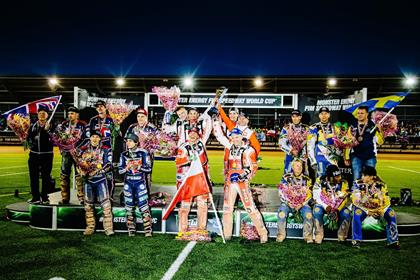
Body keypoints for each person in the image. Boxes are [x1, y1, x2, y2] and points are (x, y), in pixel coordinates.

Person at [213, 118, 268, 243]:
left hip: (242, 183)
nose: (235, 139)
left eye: (237, 137)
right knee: (227, 208)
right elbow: (219, 136)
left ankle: (263, 233)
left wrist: (242, 176)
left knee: (250, 208)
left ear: (241, 137)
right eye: (233, 137)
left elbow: (253, 167)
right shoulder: (230, 146)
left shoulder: (248, 150)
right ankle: (227, 234)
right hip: (230, 183)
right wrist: (215, 120)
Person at [76, 131, 114, 236]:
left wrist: (97, 171)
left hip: (100, 180)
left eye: (97, 137)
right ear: (89, 138)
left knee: (106, 205)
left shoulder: (106, 149)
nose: (94, 139)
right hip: (88, 181)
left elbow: (109, 165)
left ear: (100, 138)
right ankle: (90, 227)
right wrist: (81, 171)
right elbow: (78, 163)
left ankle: (108, 228)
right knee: (88, 205)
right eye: (92, 136)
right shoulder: (83, 149)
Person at [351, 166, 400, 249]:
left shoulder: (381, 185)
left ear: (371, 177)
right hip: (363, 208)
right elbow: (355, 201)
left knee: (391, 214)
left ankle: (393, 241)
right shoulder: (357, 184)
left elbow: (387, 200)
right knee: (357, 213)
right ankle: (356, 240)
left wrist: (381, 211)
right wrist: (368, 212)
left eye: (364, 175)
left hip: (379, 209)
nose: (362, 177)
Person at [175, 127, 211, 233]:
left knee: (202, 204)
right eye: (191, 133)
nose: (192, 135)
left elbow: (205, 162)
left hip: (199, 179)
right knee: (185, 205)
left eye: (195, 133)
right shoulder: (183, 147)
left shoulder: (201, 146)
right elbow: (178, 162)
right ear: (188, 134)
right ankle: (182, 229)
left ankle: (201, 229)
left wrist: (208, 179)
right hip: (187, 180)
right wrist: (189, 159)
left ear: (198, 135)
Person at [118, 133, 153, 237]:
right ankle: (131, 229)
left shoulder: (143, 153)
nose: (128, 143)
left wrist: (138, 167)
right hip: (128, 183)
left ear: (136, 142)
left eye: (130, 141)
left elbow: (149, 169)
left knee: (144, 206)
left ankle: (147, 230)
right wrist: (126, 169)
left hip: (140, 183)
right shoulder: (124, 154)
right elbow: (120, 171)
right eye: (127, 141)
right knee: (129, 206)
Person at [277, 159, 314, 243]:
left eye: (301, 166)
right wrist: (288, 202)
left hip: (302, 204)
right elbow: (281, 192)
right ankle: (281, 235)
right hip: (288, 203)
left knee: (308, 214)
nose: (299, 168)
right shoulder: (286, 177)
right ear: (292, 167)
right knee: (281, 214)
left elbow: (309, 194)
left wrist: (302, 204)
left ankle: (308, 236)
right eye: (297, 166)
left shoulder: (307, 179)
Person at [312, 165, 351, 244]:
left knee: (346, 213)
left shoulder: (344, 182)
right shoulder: (320, 180)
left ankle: (342, 235)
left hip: (338, 205)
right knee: (317, 211)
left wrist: (337, 209)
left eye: (339, 175)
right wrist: (326, 207)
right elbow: (316, 196)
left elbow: (345, 198)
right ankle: (318, 235)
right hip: (323, 204)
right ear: (330, 177)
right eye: (336, 176)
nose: (339, 177)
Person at [87, 100, 116, 199]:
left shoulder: (112, 119)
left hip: (108, 150)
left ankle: (110, 196)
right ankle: (95, 195)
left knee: (108, 172)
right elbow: (88, 136)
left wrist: (117, 129)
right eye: (97, 106)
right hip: (95, 151)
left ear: (105, 107)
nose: (99, 108)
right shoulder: (93, 120)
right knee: (95, 172)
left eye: (101, 106)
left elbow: (117, 135)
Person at [125, 107, 158, 194]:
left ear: (146, 117)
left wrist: (149, 142)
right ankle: (133, 194)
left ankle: (146, 194)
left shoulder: (152, 128)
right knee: (133, 173)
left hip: (147, 156)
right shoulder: (132, 127)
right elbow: (126, 141)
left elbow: (157, 143)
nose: (140, 118)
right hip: (133, 155)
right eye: (138, 116)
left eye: (142, 116)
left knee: (146, 174)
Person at [27, 105, 55, 204]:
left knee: (46, 177)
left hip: (46, 155)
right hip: (34, 155)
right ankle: (35, 197)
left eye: (44, 113)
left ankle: (45, 197)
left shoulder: (52, 125)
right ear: (37, 114)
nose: (42, 115)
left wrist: (49, 131)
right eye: (40, 113)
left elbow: (56, 140)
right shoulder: (32, 126)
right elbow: (28, 139)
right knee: (33, 177)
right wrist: (27, 141)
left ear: (48, 115)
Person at [58, 106, 86, 204]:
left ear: (77, 115)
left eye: (72, 113)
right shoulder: (64, 124)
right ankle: (65, 198)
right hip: (66, 154)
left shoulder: (83, 125)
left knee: (80, 175)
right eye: (69, 113)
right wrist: (61, 148)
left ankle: (82, 197)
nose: (70, 115)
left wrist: (80, 150)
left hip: (78, 154)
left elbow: (86, 139)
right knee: (64, 175)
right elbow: (59, 138)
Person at [350, 106, 385, 181]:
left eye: (362, 113)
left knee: (370, 179)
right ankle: (356, 193)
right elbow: (348, 142)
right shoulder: (353, 125)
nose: (359, 115)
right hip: (356, 156)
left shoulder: (373, 125)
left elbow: (380, 142)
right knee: (356, 179)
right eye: (358, 113)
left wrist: (380, 130)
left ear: (367, 114)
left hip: (370, 156)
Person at [307, 107, 336, 177]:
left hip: (332, 158)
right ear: (319, 115)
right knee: (320, 179)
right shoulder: (313, 128)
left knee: (333, 179)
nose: (324, 116)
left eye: (326, 113)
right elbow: (310, 146)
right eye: (322, 114)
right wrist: (313, 160)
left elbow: (338, 144)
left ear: (329, 115)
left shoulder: (334, 127)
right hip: (319, 158)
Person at [279, 110, 309, 175]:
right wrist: (291, 151)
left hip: (303, 157)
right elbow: (281, 144)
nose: (295, 118)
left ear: (300, 117)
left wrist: (305, 153)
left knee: (303, 176)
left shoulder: (306, 128)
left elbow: (309, 143)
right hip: (290, 156)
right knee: (287, 175)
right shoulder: (286, 128)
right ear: (291, 117)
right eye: (293, 116)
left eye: (297, 116)